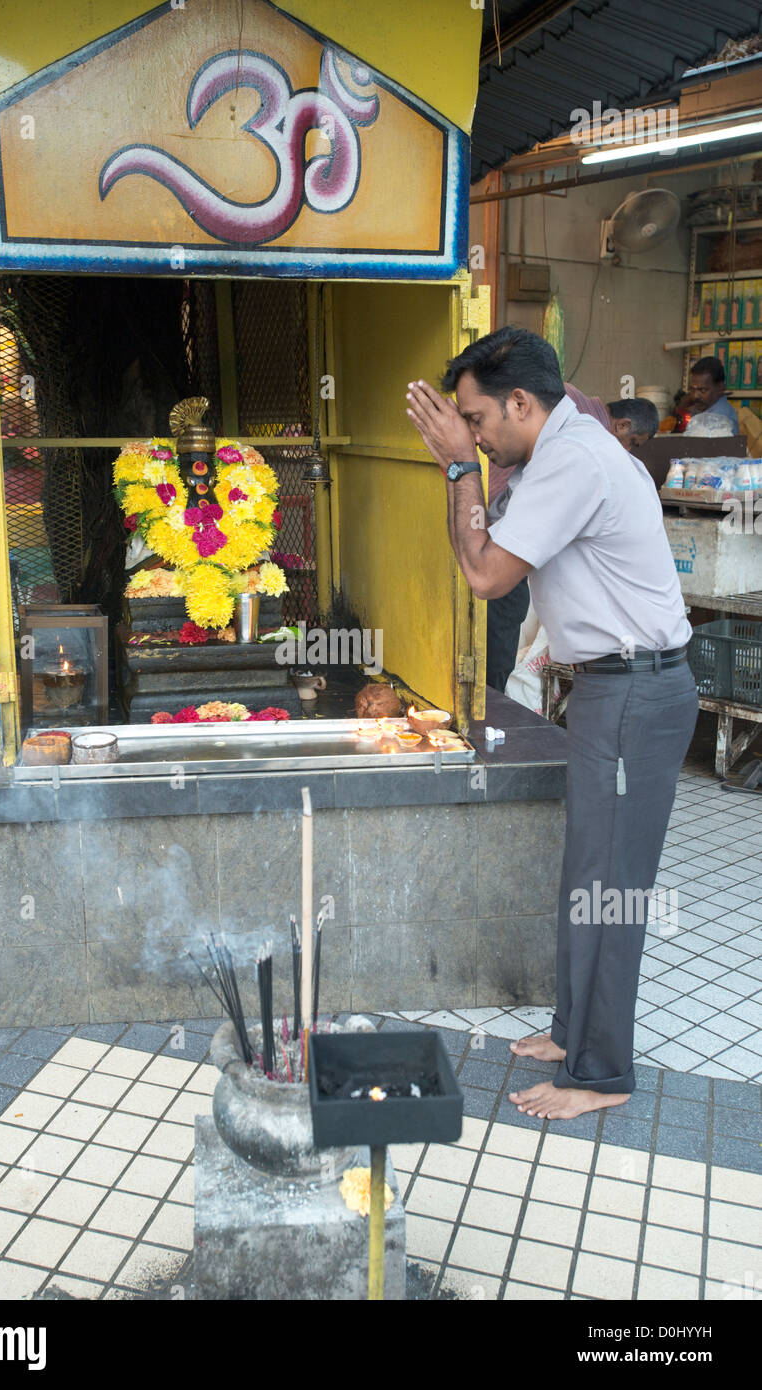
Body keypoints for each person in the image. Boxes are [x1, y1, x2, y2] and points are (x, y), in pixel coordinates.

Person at [406, 326, 697, 1120]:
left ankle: (599, 1077)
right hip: (614, 690)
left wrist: (458, 469)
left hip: (635, 693)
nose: (470, 432)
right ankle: (572, 1031)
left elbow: (485, 573)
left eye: (475, 418)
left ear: (522, 403)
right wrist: (473, 466)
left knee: (611, 887)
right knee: (587, 872)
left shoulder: (573, 459)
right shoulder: (558, 451)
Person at [486, 386, 659, 692]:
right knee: (501, 633)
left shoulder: (571, 403)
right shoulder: (587, 437)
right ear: (622, 425)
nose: (628, 450)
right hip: (501, 533)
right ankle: (491, 713)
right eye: (632, 443)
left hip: (502, 532)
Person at [687, 356, 739, 433]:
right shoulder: (702, 408)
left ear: (720, 388)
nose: (695, 396)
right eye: (692, 389)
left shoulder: (721, 418)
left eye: (703, 390)